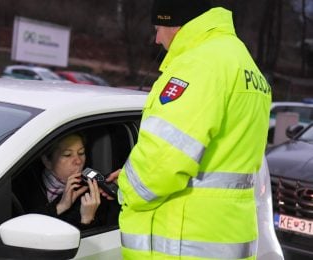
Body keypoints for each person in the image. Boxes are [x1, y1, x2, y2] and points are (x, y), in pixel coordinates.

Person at [110, 0, 272, 259]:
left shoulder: (200, 64)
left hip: (185, 243)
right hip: (225, 235)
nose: (156, 39)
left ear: (174, 25)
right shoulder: (242, 60)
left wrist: (125, 186)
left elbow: (163, 161)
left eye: (157, 29)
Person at [15, 133, 119, 230]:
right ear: (47, 161)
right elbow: (27, 230)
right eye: (68, 155)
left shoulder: (94, 194)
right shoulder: (24, 186)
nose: (78, 161)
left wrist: (87, 219)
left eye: (81, 153)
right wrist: (61, 206)